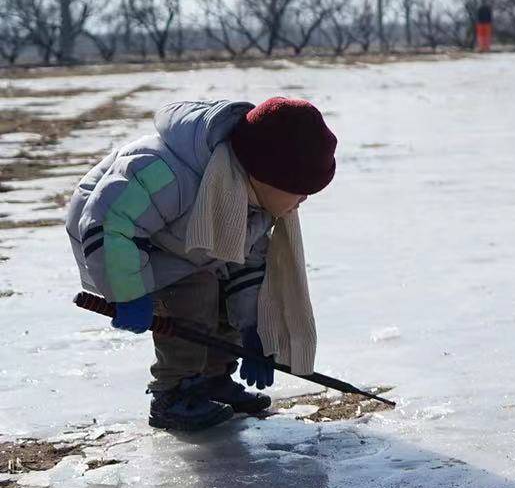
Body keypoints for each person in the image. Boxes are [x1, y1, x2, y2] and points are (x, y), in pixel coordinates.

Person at [65, 98, 337, 431]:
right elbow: (110, 226)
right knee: (196, 290)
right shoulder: (166, 172)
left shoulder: (255, 205)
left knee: (223, 286)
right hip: (112, 243)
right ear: (267, 176)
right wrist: (128, 292)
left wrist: (253, 329)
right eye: (300, 191)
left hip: (178, 247)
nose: (303, 201)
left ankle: (211, 377)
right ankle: (173, 393)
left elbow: (247, 267)